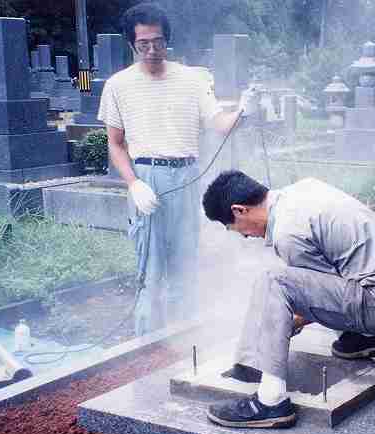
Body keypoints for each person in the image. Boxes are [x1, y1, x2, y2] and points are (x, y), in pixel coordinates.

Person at [201, 171, 375, 428]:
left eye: (234, 228)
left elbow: (316, 295)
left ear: (239, 210)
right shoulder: (303, 190)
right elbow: (331, 280)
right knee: (314, 273)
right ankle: (363, 339)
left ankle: (270, 401)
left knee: (274, 281)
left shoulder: (288, 233)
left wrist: (282, 323)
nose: (243, 236)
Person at [98, 2, 257, 336]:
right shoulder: (118, 85)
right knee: (151, 269)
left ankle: (185, 344)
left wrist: (243, 111)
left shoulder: (192, 79)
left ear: (166, 40)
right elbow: (115, 143)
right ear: (132, 44)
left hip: (186, 176)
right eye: (143, 44)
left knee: (186, 266)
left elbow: (219, 124)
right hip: (146, 177)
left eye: (157, 42)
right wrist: (133, 184)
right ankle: (147, 345)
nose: (152, 50)